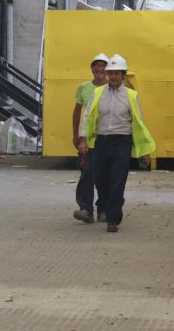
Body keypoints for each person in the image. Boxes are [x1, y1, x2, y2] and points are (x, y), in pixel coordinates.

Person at [78, 54, 155, 233]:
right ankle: (112, 204)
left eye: (117, 73)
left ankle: (112, 218)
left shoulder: (131, 96)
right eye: (110, 73)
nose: (113, 77)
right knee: (100, 178)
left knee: (118, 179)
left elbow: (139, 123)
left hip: (122, 141)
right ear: (107, 75)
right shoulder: (97, 93)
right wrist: (83, 138)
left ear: (123, 75)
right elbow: (87, 116)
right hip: (102, 141)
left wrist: (144, 151)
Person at [72, 54, 109, 224]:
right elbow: (77, 113)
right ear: (92, 68)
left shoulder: (112, 88)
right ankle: (86, 209)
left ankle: (104, 210)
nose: (99, 69)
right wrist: (77, 136)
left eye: (103, 66)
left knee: (104, 176)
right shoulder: (84, 88)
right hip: (87, 141)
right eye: (96, 65)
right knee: (86, 174)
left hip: (106, 140)